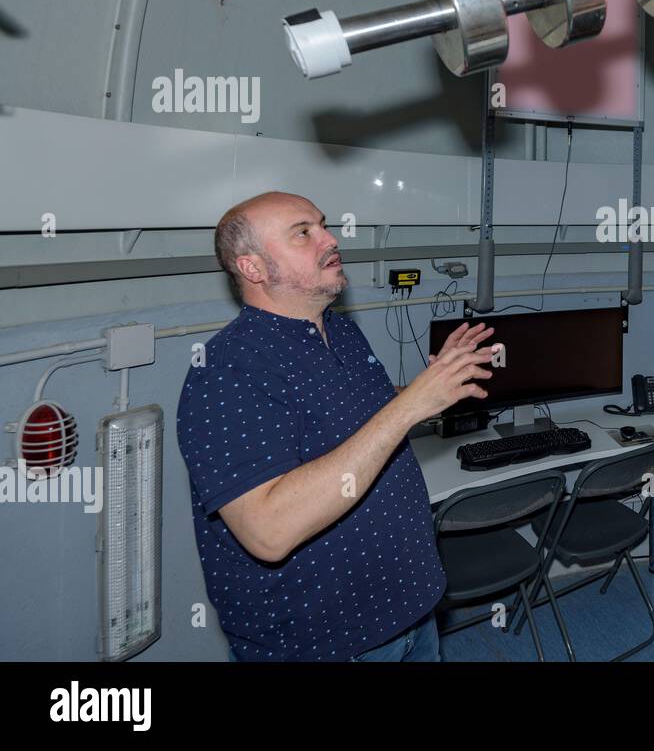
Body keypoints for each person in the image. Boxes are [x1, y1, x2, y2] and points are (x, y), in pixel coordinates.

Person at [177, 191, 496, 661]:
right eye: (303, 232)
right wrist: (409, 406)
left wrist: (434, 391)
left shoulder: (341, 331)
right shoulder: (225, 372)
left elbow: (361, 443)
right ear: (254, 269)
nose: (330, 237)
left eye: (323, 224)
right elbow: (269, 530)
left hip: (413, 614)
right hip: (326, 645)